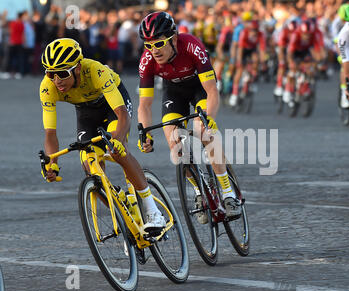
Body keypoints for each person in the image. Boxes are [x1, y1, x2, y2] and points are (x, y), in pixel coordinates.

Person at [39, 38, 166, 233]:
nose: (57, 80)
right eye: (51, 73)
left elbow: (122, 115)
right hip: (86, 113)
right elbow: (50, 133)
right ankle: (125, 217)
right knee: (90, 168)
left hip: (113, 106)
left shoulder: (97, 71)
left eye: (63, 73)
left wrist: (118, 139)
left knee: (117, 151)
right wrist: (52, 163)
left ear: (78, 68)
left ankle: (152, 210)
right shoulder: (48, 88)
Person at [137, 12, 242, 222]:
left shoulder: (192, 46)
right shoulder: (147, 60)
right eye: (148, 45)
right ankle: (198, 192)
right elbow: (144, 105)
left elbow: (212, 91)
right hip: (174, 92)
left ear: (174, 38)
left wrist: (209, 119)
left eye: (159, 43)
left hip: (200, 88)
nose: (154, 50)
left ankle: (228, 192)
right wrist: (144, 133)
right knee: (174, 140)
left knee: (202, 129)